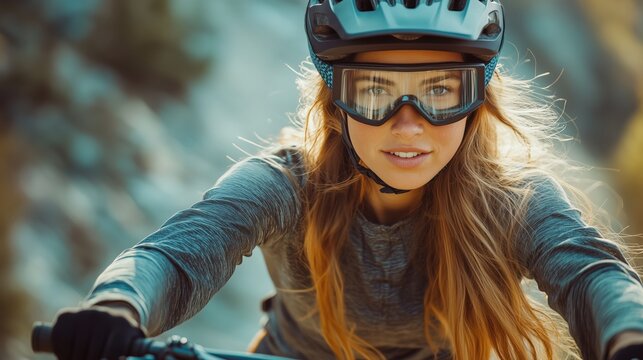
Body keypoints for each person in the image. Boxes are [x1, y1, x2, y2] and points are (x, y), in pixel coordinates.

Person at [48, 1, 643, 359]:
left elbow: (592, 273)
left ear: (477, 102)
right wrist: (117, 307)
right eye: (376, 90)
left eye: (439, 90)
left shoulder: (514, 201)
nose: (407, 125)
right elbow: (180, 254)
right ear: (336, 102)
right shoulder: (286, 184)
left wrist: (629, 334)